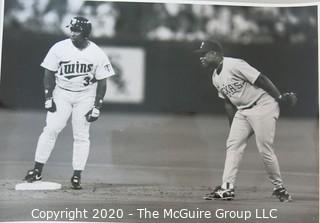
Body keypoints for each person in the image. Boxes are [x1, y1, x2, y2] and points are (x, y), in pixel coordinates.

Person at [195, 40, 297, 202]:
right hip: (243, 111)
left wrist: (278, 98)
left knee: (264, 148)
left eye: (204, 54)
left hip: (263, 106)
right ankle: (227, 188)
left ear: (214, 53)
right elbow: (228, 103)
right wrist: (233, 128)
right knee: (233, 144)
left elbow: (261, 79)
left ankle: (279, 188)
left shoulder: (234, 65)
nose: (201, 58)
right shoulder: (215, 77)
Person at [24, 16, 115, 189]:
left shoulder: (96, 53)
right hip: (62, 93)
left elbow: (103, 81)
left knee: (81, 135)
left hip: (85, 95)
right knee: (51, 129)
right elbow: (49, 72)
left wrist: (97, 106)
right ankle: (36, 170)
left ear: (85, 33)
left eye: (76, 30)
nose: (72, 33)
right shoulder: (59, 48)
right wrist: (48, 97)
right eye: (71, 29)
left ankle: (77, 175)